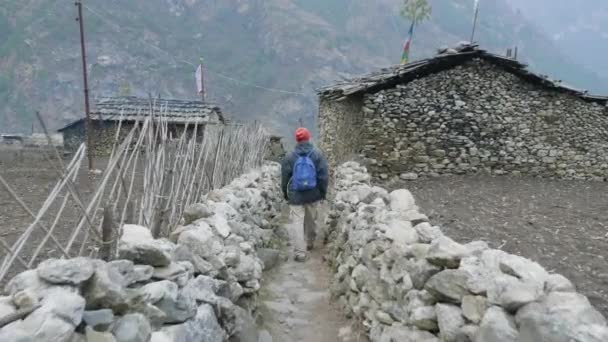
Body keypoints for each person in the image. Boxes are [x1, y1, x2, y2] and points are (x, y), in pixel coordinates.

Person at [281, 127, 329, 257]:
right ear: (308, 138)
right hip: (313, 194)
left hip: (295, 194)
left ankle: (300, 252)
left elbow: (285, 178)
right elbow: (323, 176)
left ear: (297, 140)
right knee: (311, 220)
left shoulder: (289, 156)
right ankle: (310, 242)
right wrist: (323, 193)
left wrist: (286, 194)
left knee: (297, 222)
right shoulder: (317, 154)